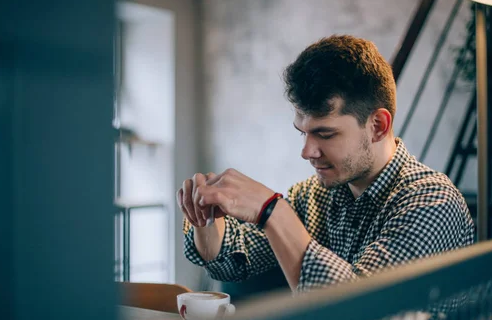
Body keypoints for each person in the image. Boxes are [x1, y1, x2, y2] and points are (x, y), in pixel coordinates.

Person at [177, 35, 475, 293]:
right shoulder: (313, 196)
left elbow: (362, 317)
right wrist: (205, 218)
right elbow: (234, 262)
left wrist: (272, 210)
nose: (307, 152)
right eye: (302, 132)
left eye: (325, 133)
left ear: (378, 126)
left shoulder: (432, 202)